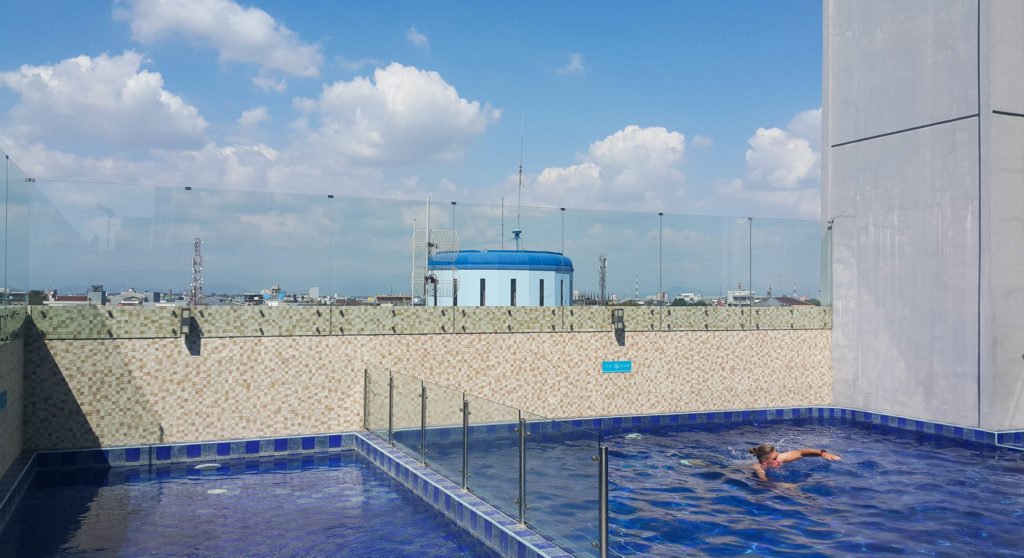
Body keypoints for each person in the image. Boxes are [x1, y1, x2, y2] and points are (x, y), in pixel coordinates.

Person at [749, 444, 841, 481]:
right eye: (775, 458)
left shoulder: (778, 458)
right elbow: (764, 481)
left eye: (778, 455)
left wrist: (822, 453)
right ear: (764, 462)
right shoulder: (758, 467)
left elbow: (801, 453)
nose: (779, 459)